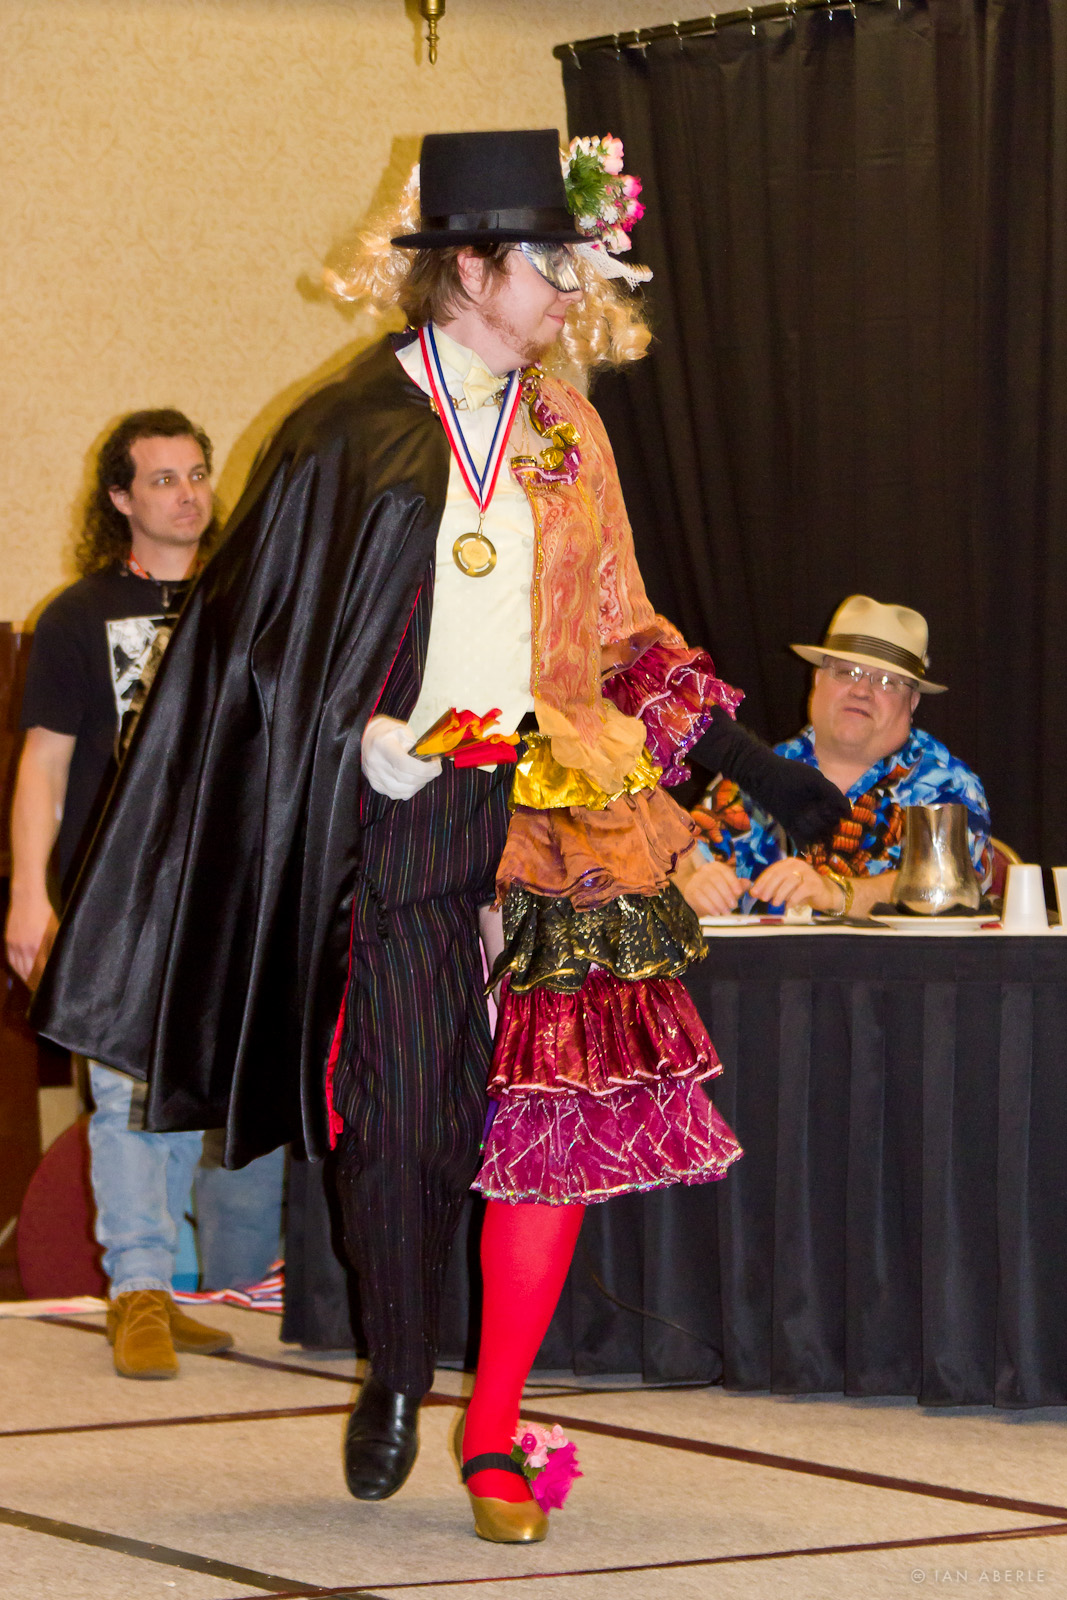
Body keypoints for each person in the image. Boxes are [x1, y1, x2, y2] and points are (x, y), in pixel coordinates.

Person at [30, 132, 843, 1532]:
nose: (570, 297)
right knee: (402, 1117)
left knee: (551, 1125)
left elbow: (621, 630)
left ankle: (495, 1425)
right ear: (469, 268)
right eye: (549, 269)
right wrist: (359, 735)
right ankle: (400, 1371)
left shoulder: (567, 430)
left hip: (559, 807)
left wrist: (753, 767)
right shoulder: (347, 427)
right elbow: (260, 645)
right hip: (400, 812)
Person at [5, 411, 271, 1377]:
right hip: (113, 897)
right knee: (122, 1093)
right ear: (120, 497)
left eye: (196, 474)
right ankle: (139, 1290)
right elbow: (43, 764)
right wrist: (28, 894)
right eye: (162, 479)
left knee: (185, 1100)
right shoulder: (78, 615)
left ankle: (165, 1284)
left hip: (224, 895)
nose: (187, 494)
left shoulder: (247, 601)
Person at [678, 594, 992, 918]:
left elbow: (951, 885)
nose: (862, 690)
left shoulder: (946, 785)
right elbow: (673, 858)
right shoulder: (760, 773)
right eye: (847, 672)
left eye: (886, 681)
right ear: (817, 679)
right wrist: (688, 883)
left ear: (912, 702)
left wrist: (837, 893)